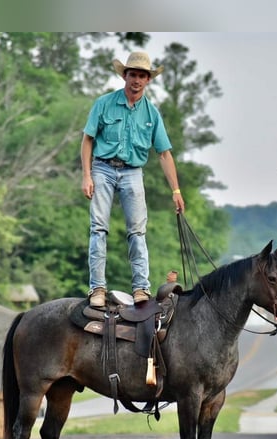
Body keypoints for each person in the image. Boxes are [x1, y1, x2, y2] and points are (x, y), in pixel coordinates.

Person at [81, 51, 185, 309]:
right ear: (124, 76)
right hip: (103, 168)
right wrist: (86, 175)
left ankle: (141, 288)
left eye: (141, 75)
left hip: (132, 172)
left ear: (148, 80)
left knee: (137, 231)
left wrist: (176, 190)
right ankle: (97, 288)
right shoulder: (104, 103)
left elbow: (164, 153)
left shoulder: (151, 114)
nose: (136, 80)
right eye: (132, 74)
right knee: (98, 228)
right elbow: (88, 140)